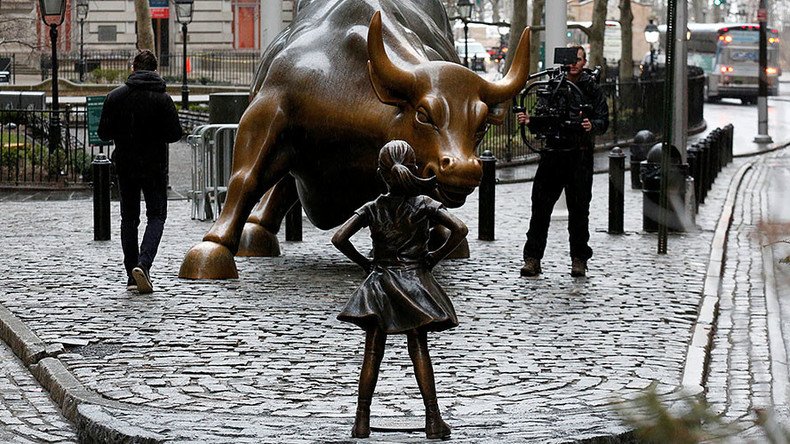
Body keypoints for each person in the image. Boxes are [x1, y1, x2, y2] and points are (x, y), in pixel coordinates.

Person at [331, 140, 468, 440]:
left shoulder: (373, 208)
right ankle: (433, 420)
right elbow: (460, 229)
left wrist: (366, 264)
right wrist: (433, 258)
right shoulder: (424, 204)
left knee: (372, 352)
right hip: (414, 283)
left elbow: (339, 238)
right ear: (413, 168)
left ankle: (361, 421)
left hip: (379, 282)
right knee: (418, 347)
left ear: (382, 173)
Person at [516, 46, 608, 277]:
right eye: (571, 60)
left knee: (579, 210)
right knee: (540, 208)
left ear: (585, 62)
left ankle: (579, 259)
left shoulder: (592, 88)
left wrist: (592, 126)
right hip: (553, 155)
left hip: (579, 155)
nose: (574, 64)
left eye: (578, 60)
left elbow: (603, 120)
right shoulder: (553, 86)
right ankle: (533, 258)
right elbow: (544, 116)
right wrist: (530, 121)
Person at [98, 50, 183, 293]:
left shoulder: (115, 97)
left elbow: (104, 133)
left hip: (125, 165)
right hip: (154, 166)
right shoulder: (163, 99)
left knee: (129, 218)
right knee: (156, 216)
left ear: (133, 68)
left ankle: (131, 272)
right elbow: (175, 134)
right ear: (155, 69)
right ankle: (144, 265)